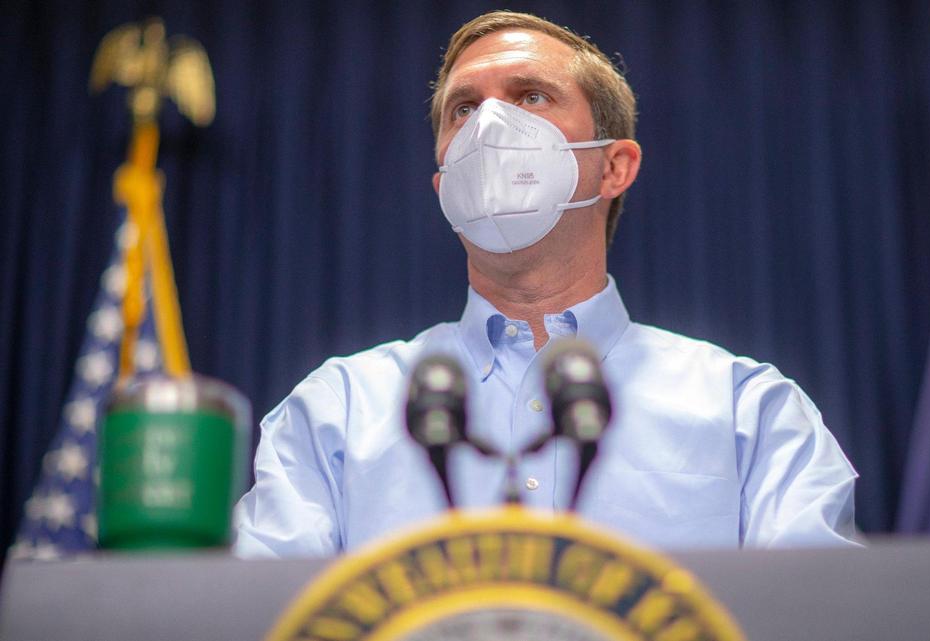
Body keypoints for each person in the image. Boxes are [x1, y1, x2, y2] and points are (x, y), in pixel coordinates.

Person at [232, 11, 857, 558]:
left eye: (530, 96)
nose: (490, 126)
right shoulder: (337, 410)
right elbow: (257, 617)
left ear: (614, 166)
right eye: (464, 108)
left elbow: (818, 617)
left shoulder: (749, 411)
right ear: (443, 184)